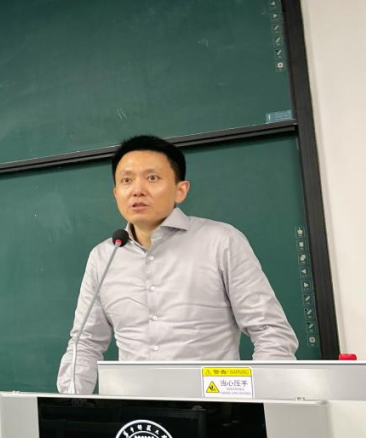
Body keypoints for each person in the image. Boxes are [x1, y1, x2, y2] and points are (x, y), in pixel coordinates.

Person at [56, 135, 298, 394]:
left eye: (152, 178)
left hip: (215, 408)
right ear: (116, 193)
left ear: (180, 190)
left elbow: (270, 331)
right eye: (126, 180)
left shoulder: (221, 241)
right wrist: (70, 405)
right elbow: (85, 343)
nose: (137, 190)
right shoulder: (104, 256)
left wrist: (263, 400)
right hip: (134, 413)